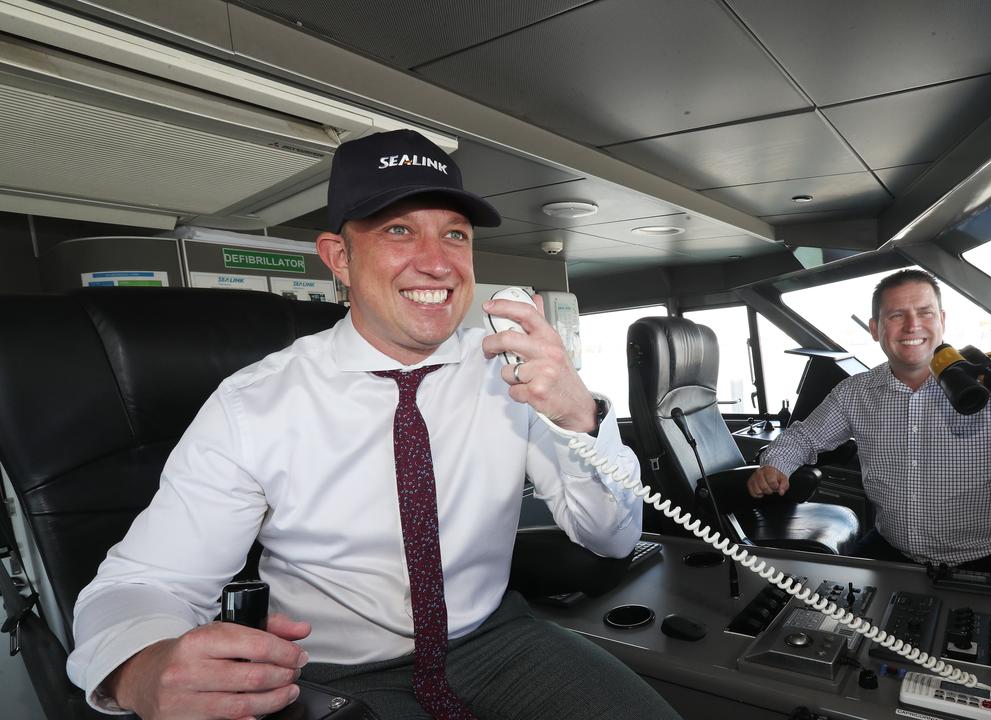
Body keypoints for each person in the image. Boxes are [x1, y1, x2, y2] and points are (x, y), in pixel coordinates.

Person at [67, 129, 680, 720]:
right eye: (398, 230)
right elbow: (145, 583)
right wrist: (141, 668)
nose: (438, 263)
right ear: (340, 256)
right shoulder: (252, 405)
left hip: (497, 642)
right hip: (328, 669)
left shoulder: (510, 371)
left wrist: (582, 418)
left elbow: (612, 538)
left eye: (456, 235)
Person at [747, 269, 991, 572]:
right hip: (890, 550)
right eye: (896, 316)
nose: (911, 326)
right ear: (876, 329)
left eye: (924, 312)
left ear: (941, 321)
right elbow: (803, 438)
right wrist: (775, 464)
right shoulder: (855, 393)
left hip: (985, 560)